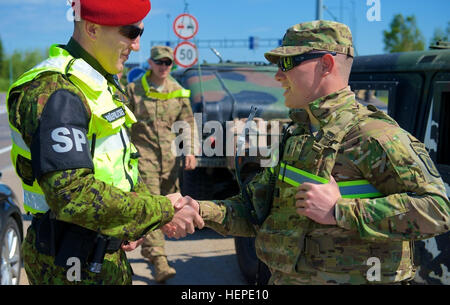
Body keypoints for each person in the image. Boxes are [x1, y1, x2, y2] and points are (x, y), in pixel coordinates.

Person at [165, 20, 450, 284]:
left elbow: (437, 210)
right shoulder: (297, 135)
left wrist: (340, 210)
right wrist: (198, 209)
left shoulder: (373, 135)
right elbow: (254, 211)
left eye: (287, 63)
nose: (277, 75)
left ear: (326, 64)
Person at [6, 0, 202, 285]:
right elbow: (73, 196)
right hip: (69, 262)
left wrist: (131, 224)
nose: (136, 46)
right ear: (93, 29)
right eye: (131, 33)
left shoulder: (98, 83)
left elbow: (119, 165)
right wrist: (160, 210)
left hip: (102, 249)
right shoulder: (56, 90)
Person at [126, 45, 197, 282]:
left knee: (170, 208)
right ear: (150, 63)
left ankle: (147, 247)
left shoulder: (178, 91)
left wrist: (189, 151)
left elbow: (187, 124)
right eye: (159, 62)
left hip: (170, 160)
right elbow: (121, 123)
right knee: (155, 204)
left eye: (168, 63)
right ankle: (159, 260)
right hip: (144, 157)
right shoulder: (134, 90)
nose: (164, 67)